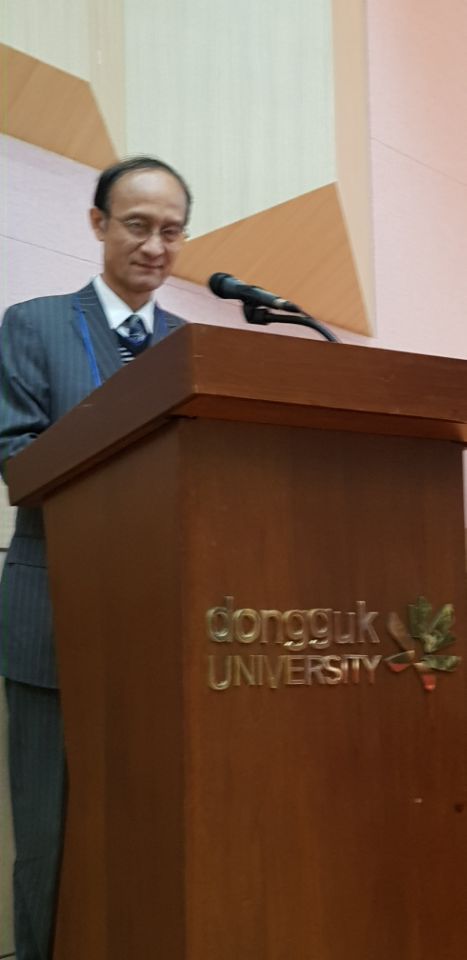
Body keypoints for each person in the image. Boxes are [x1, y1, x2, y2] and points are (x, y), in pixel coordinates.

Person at [0, 155, 192, 960]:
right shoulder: (34, 324)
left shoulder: (193, 349)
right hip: (52, 619)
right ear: (98, 224)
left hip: (159, 630)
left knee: (146, 830)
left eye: (171, 231)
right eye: (137, 226)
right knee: (49, 836)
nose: (154, 246)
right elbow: (18, 461)